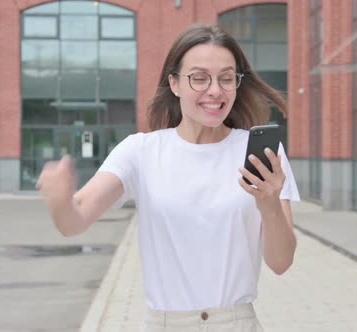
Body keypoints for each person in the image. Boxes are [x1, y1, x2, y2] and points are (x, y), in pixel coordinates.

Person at [36, 24, 300, 332]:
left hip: (237, 323)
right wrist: (59, 201)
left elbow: (281, 263)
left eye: (227, 78)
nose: (215, 90)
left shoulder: (260, 154)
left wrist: (269, 207)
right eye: (199, 78)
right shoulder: (142, 151)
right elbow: (74, 221)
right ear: (174, 83)